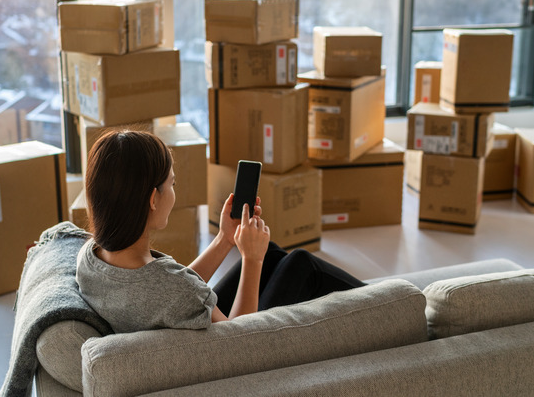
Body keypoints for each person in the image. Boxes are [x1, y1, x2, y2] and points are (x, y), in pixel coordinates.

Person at [76, 130, 364, 334]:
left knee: (274, 254)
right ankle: (389, 304)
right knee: (301, 264)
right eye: (172, 184)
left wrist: (225, 239)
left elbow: (165, 289)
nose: (174, 193)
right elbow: (238, 340)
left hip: (173, 319)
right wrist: (251, 260)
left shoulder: (90, 257)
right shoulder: (175, 290)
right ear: (153, 199)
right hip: (232, 346)